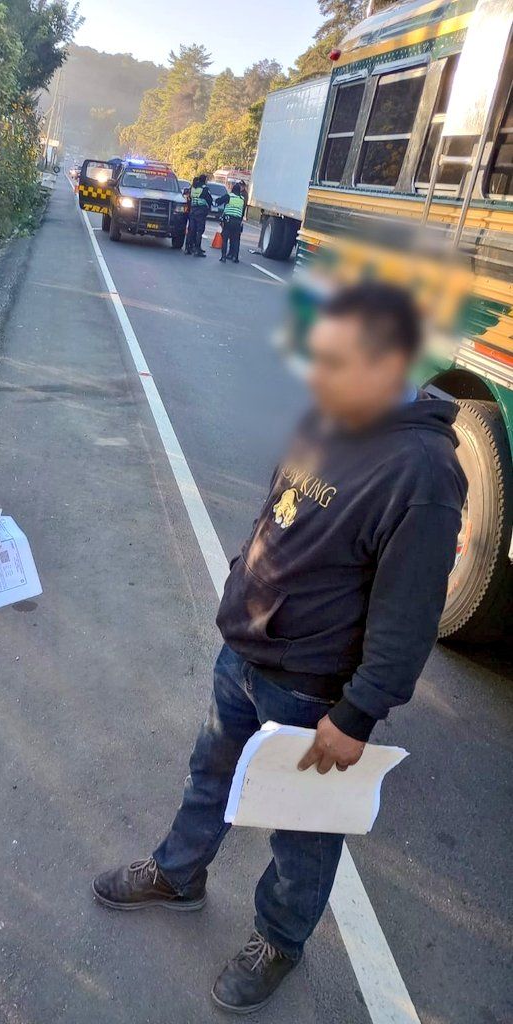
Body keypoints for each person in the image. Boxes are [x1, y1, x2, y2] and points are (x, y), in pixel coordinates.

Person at [92, 283, 467, 1014]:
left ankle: (281, 939)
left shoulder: (422, 473)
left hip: (312, 690)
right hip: (245, 657)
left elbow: (409, 614)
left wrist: (357, 714)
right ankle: (179, 874)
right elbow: (281, 509)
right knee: (210, 776)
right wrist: (243, 582)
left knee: (303, 831)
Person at [216, 182, 245, 263]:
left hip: (228, 221)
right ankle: (235, 257)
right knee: (236, 240)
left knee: (225, 239)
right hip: (237, 221)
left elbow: (219, 201)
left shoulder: (229, 196)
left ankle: (223, 257)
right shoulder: (242, 199)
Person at [185, 174, 213, 257]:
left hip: (193, 210)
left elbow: (190, 196)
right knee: (199, 231)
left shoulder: (193, 187)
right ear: (204, 180)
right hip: (201, 212)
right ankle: (197, 250)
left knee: (191, 230)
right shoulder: (204, 188)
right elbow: (209, 199)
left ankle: (188, 248)